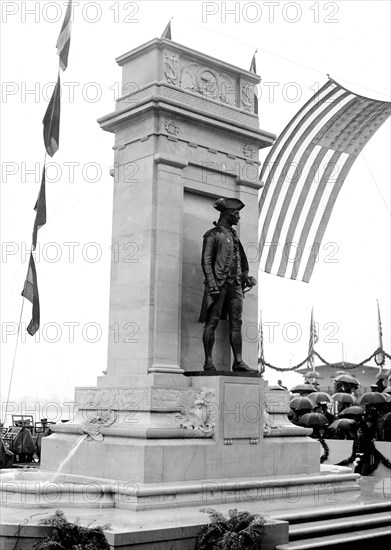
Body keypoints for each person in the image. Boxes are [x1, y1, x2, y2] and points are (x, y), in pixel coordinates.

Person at [199, 197, 257, 372]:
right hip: (219, 284)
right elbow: (206, 262)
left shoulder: (234, 236)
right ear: (227, 214)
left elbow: (241, 261)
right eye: (236, 214)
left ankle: (238, 361)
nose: (239, 217)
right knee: (212, 322)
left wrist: (246, 276)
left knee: (237, 323)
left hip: (236, 285)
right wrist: (213, 284)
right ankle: (208, 361)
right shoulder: (212, 234)